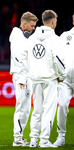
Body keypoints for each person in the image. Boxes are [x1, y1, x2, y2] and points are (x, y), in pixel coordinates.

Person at [17, 10, 66, 147]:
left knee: (37, 111)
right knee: (48, 111)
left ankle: (33, 140)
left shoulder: (31, 38)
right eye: (55, 21)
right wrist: (61, 76)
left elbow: (23, 58)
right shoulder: (56, 40)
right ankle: (44, 140)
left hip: (35, 79)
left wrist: (23, 77)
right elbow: (58, 60)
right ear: (52, 22)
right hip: (50, 79)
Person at [9, 11, 38, 146]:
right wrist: (21, 78)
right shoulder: (18, 37)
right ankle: (17, 138)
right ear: (24, 24)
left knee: (24, 107)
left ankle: (18, 137)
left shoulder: (22, 37)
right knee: (23, 108)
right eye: (32, 26)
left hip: (25, 75)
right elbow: (18, 57)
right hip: (22, 77)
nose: (33, 28)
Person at [53, 14, 74, 147]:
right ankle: (61, 136)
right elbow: (57, 56)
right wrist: (58, 74)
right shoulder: (65, 36)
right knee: (62, 106)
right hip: (65, 79)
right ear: (73, 20)